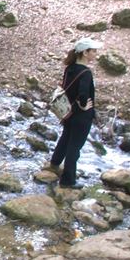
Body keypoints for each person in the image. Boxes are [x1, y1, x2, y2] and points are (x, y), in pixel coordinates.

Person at [47, 37, 102, 189]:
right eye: (94, 51)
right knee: (74, 147)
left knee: (65, 138)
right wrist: (84, 106)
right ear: (85, 52)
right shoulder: (86, 73)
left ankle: (55, 162)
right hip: (81, 116)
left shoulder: (69, 68)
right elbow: (83, 94)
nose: (96, 54)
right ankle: (68, 180)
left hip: (68, 112)